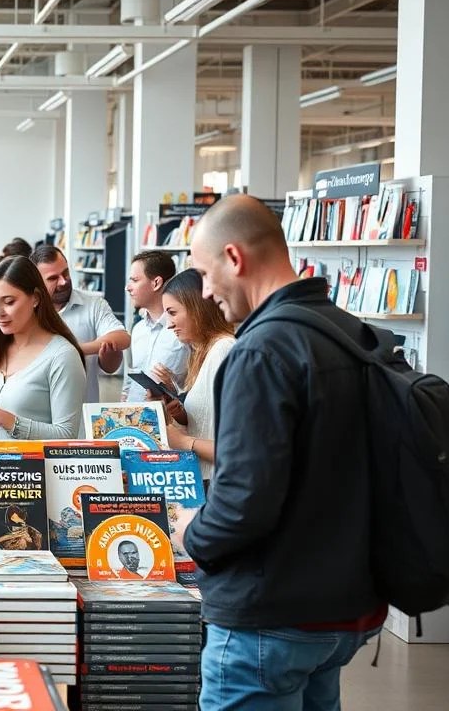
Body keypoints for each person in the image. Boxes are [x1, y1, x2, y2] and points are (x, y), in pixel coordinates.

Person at [175, 195, 384, 710]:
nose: (205, 292)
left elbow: (243, 500)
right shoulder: (353, 332)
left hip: (270, 614)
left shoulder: (260, 351)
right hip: (345, 606)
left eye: (204, 274)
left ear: (234, 258)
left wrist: (190, 530)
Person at [0, 256, 87, 441]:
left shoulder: (62, 356)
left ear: (35, 298)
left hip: (30, 468)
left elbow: (66, 435)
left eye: (9, 302)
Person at [153, 269, 235, 479]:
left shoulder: (223, 351)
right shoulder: (206, 351)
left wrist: (182, 442)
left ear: (196, 307)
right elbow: (210, 420)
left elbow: (237, 446)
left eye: (172, 312)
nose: (170, 324)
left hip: (217, 482)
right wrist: (178, 410)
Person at [31, 245, 130, 403]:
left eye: (65, 273)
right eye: (53, 278)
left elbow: (122, 338)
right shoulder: (27, 312)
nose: (63, 281)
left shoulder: (93, 304)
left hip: (82, 416)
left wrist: (73, 350)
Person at [122, 251, 191, 402]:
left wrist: (173, 389)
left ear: (156, 283)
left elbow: (195, 388)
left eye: (134, 280)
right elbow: (131, 376)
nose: (128, 287)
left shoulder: (184, 331)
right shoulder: (138, 329)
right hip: (132, 419)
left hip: (170, 420)